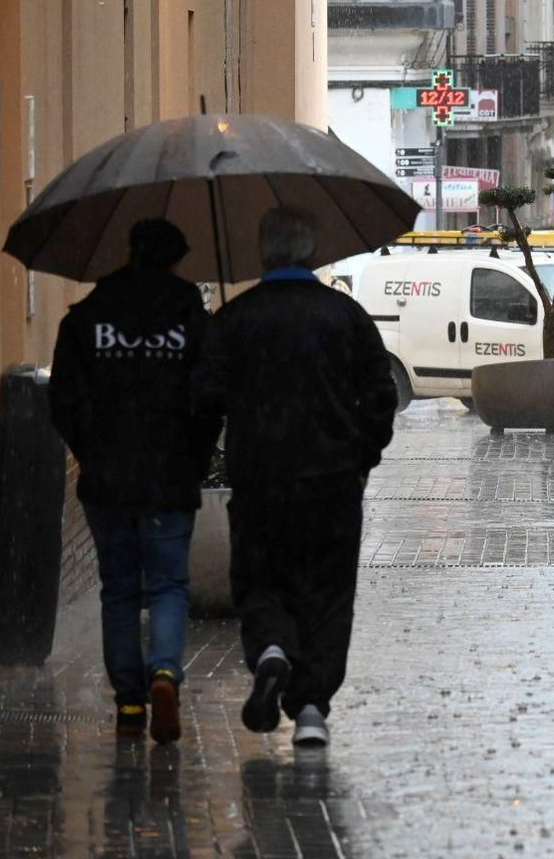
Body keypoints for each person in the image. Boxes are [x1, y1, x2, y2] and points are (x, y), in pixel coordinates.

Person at [193, 207, 398, 746]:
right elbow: (382, 394)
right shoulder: (345, 316)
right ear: (312, 253)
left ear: (265, 254)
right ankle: (310, 708)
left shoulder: (237, 319)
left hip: (261, 480)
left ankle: (271, 648)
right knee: (327, 593)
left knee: (262, 577)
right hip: (332, 481)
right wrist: (362, 458)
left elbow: (203, 398)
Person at [49, 218, 220, 744]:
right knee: (168, 584)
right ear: (175, 258)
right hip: (170, 475)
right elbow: (209, 396)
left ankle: (128, 702)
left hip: (108, 480)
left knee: (120, 590)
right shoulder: (192, 317)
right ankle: (165, 671)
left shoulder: (87, 317)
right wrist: (196, 455)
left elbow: (62, 400)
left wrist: (91, 452)